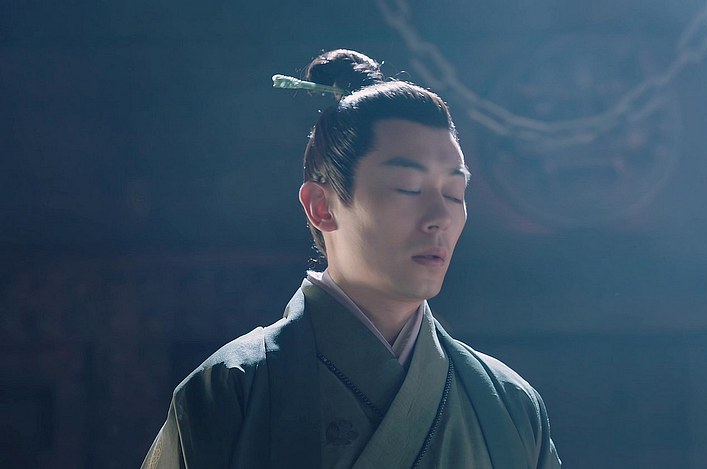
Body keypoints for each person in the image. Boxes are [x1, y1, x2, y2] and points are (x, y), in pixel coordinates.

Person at [141, 49, 561, 469]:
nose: (440, 217)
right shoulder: (233, 389)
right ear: (321, 206)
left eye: (454, 193)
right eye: (408, 188)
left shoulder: (508, 404)